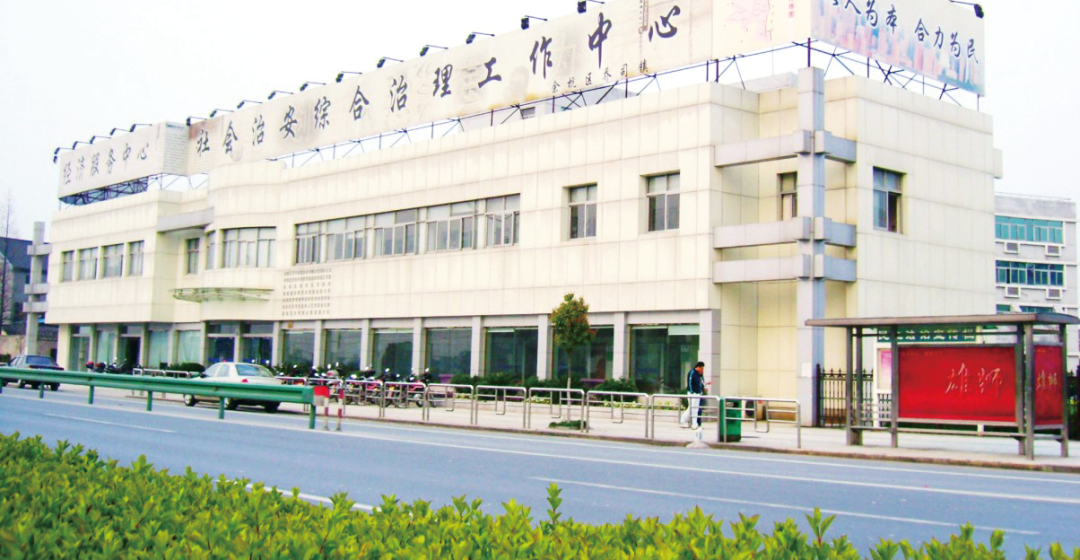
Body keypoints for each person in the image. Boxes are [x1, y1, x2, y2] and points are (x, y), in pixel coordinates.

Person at [686, 361, 706, 428]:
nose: (702, 370)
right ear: (698, 367)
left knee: (695, 409)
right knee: (692, 408)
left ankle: (695, 424)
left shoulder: (699, 374)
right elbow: (690, 382)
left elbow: (701, 382)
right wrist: (692, 392)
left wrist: (702, 388)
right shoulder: (692, 372)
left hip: (698, 393)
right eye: (701, 368)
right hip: (693, 393)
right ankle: (683, 421)